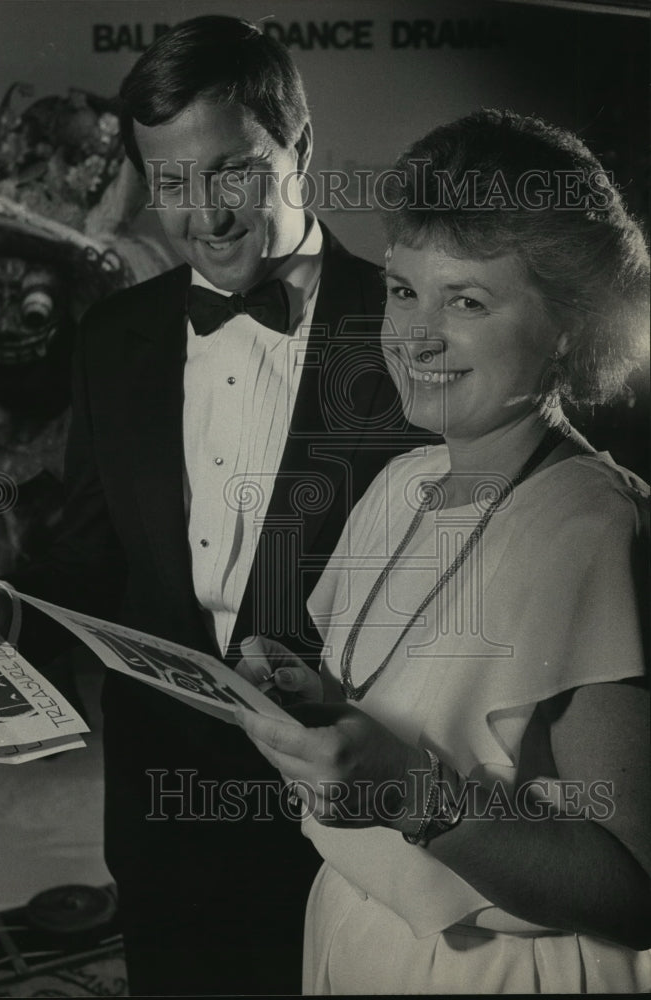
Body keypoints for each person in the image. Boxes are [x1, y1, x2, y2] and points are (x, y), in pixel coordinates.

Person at [0, 16, 421, 995]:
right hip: (162, 825)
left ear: (298, 151)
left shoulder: (409, 332)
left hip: (354, 837)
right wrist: (3, 608)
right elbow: (89, 552)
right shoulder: (115, 337)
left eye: (231, 174)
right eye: (171, 183)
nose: (202, 217)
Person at [236, 109, 651, 994]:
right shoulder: (403, 482)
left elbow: (630, 891)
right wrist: (317, 702)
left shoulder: (591, 529)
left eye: (466, 300)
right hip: (355, 928)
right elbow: (423, 705)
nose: (414, 336)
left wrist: (404, 795)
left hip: (505, 971)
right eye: (401, 290)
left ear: (571, 326)